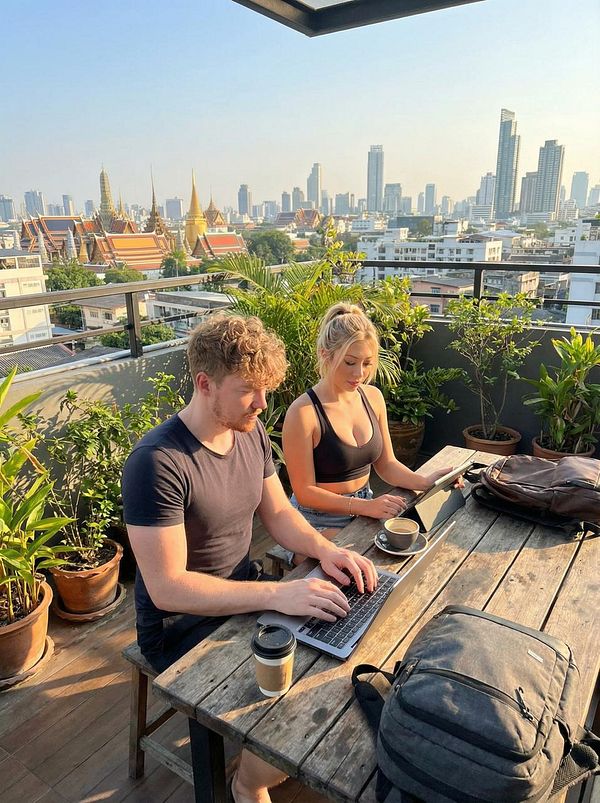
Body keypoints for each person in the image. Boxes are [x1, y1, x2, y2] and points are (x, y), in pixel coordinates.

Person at [122, 313, 377, 803]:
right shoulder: (158, 462)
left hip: (245, 592)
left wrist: (328, 550)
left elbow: (279, 512)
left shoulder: (249, 430)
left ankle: (257, 771)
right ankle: (247, 784)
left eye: (266, 391)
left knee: (341, 657)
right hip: (180, 627)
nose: (263, 404)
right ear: (204, 384)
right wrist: (283, 592)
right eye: (249, 391)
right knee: (297, 695)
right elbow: (169, 587)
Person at [282, 302, 457, 563]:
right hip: (313, 522)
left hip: (365, 508)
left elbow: (386, 464)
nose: (359, 374)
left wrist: (427, 482)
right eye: (350, 362)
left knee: (423, 550)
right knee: (364, 567)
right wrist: (365, 507)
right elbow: (305, 491)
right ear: (325, 355)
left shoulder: (372, 397)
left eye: (367, 363)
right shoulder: (303, 413)